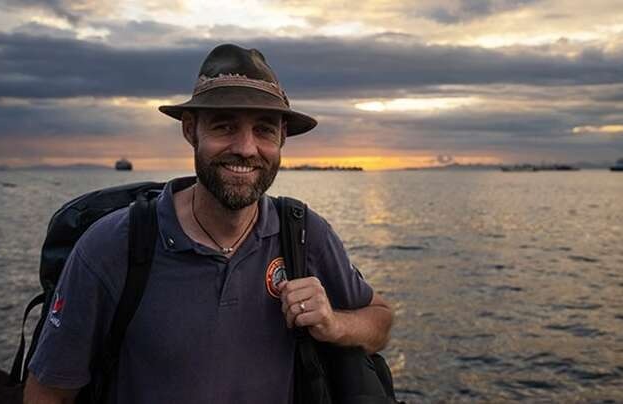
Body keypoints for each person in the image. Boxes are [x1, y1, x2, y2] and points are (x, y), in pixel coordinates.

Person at [24, 43, 393, 403]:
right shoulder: (112, 245)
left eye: (264, 130)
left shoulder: (304, 234)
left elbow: (380, 320)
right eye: (224, 126)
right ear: (190, 130)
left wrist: (334, 324)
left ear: (282, 137)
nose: (245, 148)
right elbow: (50, 392)